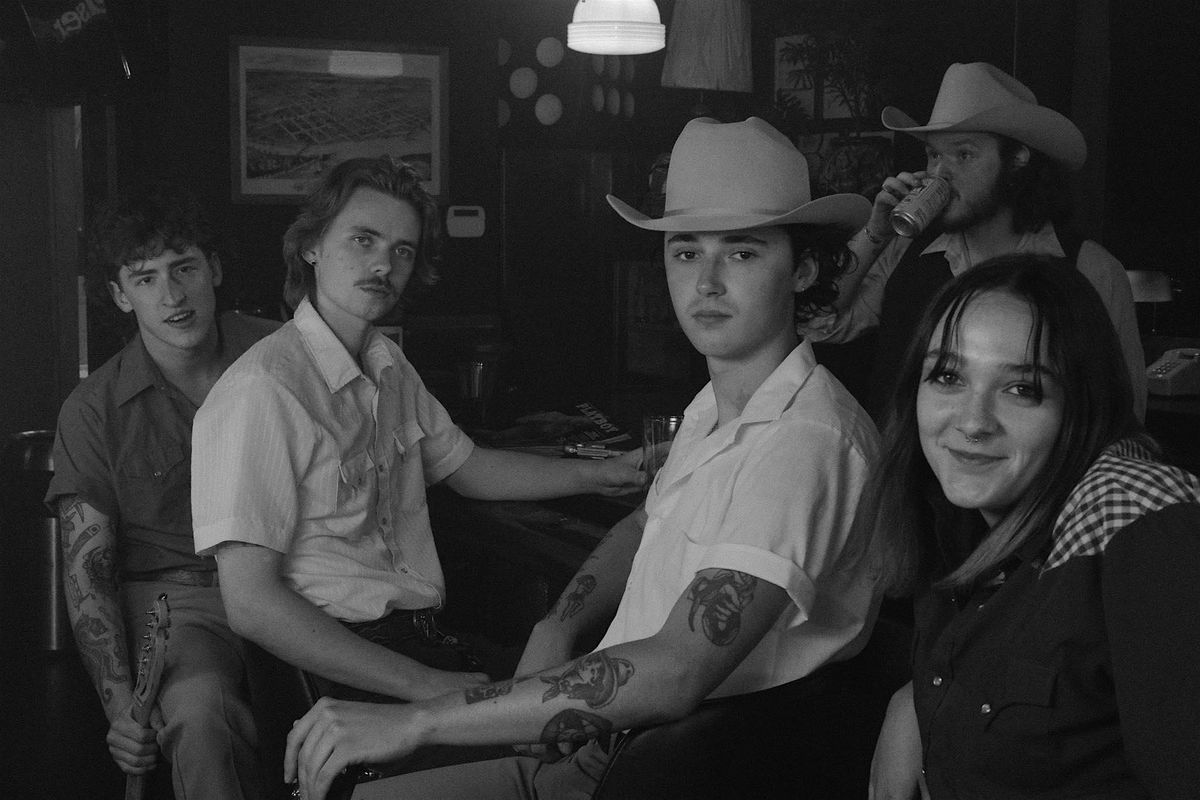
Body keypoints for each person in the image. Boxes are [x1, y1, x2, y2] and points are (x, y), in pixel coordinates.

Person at [281, 117, 884, 800]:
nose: (707, 282)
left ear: (803, 268)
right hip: (602, 749)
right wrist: (558, 623)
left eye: (742, 253)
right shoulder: (720, 405)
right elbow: (644, 523)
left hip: (666, 775)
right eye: (687, 252)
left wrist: (419, 720)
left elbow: (675, 672)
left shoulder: (806, 440)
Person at [190, 157, 643, 718]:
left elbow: (468, 468)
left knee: (593, 700)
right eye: (363, 239)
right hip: (342, 669)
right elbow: (251, 604)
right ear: (311, 246)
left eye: (402, 250)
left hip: (419, 640)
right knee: (571, 720)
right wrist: (427, 687)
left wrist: (604, 472)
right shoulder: (262, 389)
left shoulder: (386, 362)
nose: (384, 264)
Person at [862, 255, 1200, 799]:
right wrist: (914, 699)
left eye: (1022, 388)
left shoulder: (1139, 515)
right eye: (948, 377)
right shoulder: (955, 517)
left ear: (1080, 405)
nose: (973, 422)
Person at [45, 184, 280, 799]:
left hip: (295, 579)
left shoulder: (280, 353)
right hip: (181, 602)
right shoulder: (93, 409)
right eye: (146, 278)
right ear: (120, 295)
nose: (172, 295)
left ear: (214, 270)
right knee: (202, 717)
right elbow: (87, 571)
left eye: (184, 269)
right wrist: (121, 708)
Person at [802, 62, 1146, 420]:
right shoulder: (905, 251)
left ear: (1017, 159)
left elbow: (1123, 412)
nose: (940, 173)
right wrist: (875, 234)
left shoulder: (1089, 267)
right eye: (934, 155)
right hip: (902, 455)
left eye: (964, 154)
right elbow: (820, 322)